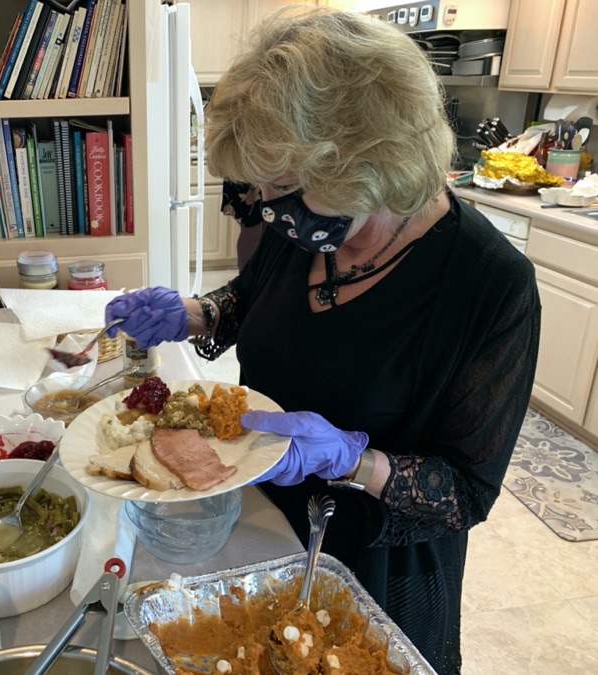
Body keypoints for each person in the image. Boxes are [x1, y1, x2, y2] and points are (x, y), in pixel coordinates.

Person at [104, 7, 540, 675]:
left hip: (372, 574)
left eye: (282, 185)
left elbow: (464, 491)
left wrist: (353, 461)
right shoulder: (307, 225)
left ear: (368, 160)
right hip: (262, 521)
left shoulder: (489, 285)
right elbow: (254, 302)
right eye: (261, 186)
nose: (265, 203)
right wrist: (193, 314)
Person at [221, 180, 263, 272]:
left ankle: (259, 274)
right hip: (248, 179)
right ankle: (245, 275)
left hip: (269, 177)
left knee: (268, 230)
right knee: (252, 229)